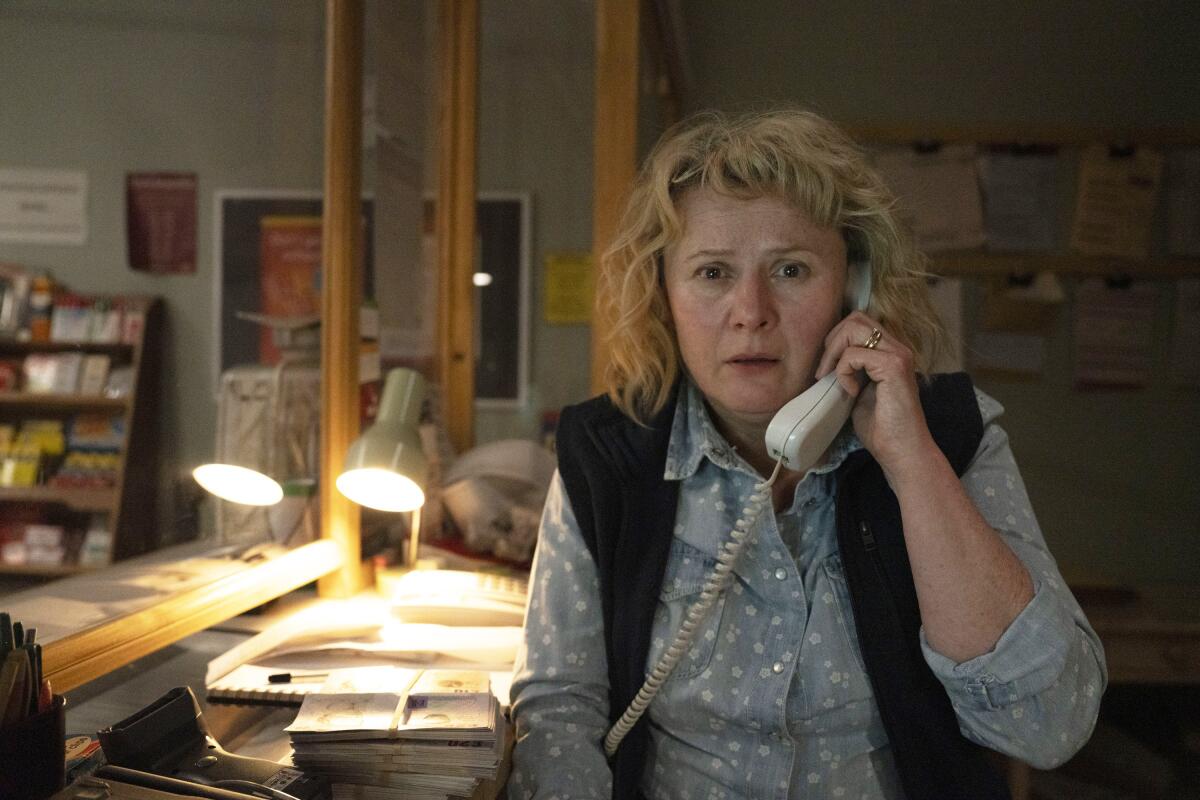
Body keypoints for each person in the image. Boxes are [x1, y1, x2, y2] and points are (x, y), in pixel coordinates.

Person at [507, 109, 1105, 800]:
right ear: (662, 293)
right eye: (711, 273)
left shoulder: (950, 436)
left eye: (790, 269)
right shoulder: (607, 456)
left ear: (855, 289)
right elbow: (558, 710)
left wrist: (912, 463)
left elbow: (1049, 728)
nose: (750, 310)